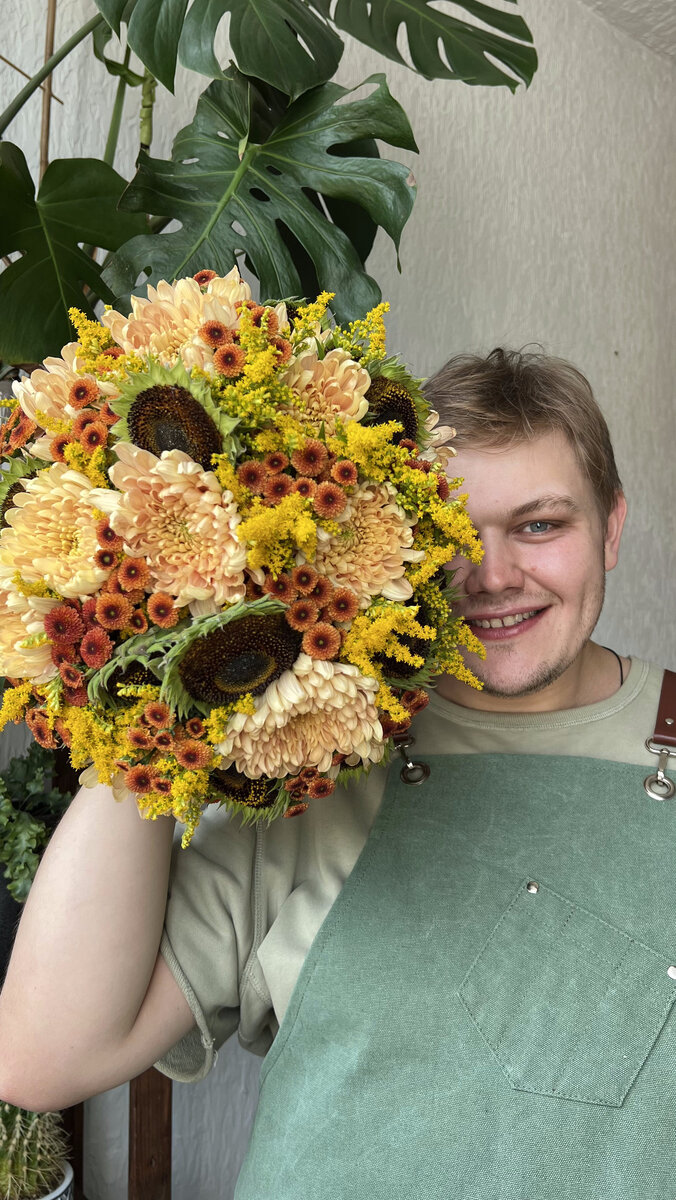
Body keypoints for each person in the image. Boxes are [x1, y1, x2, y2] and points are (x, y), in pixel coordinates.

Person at [1, 347, 674, 1198]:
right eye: (453, 532)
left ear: (612, 527)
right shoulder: (307, 765)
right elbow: (42, 1059)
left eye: (541, 525)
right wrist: (149, 665)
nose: (493, 576)